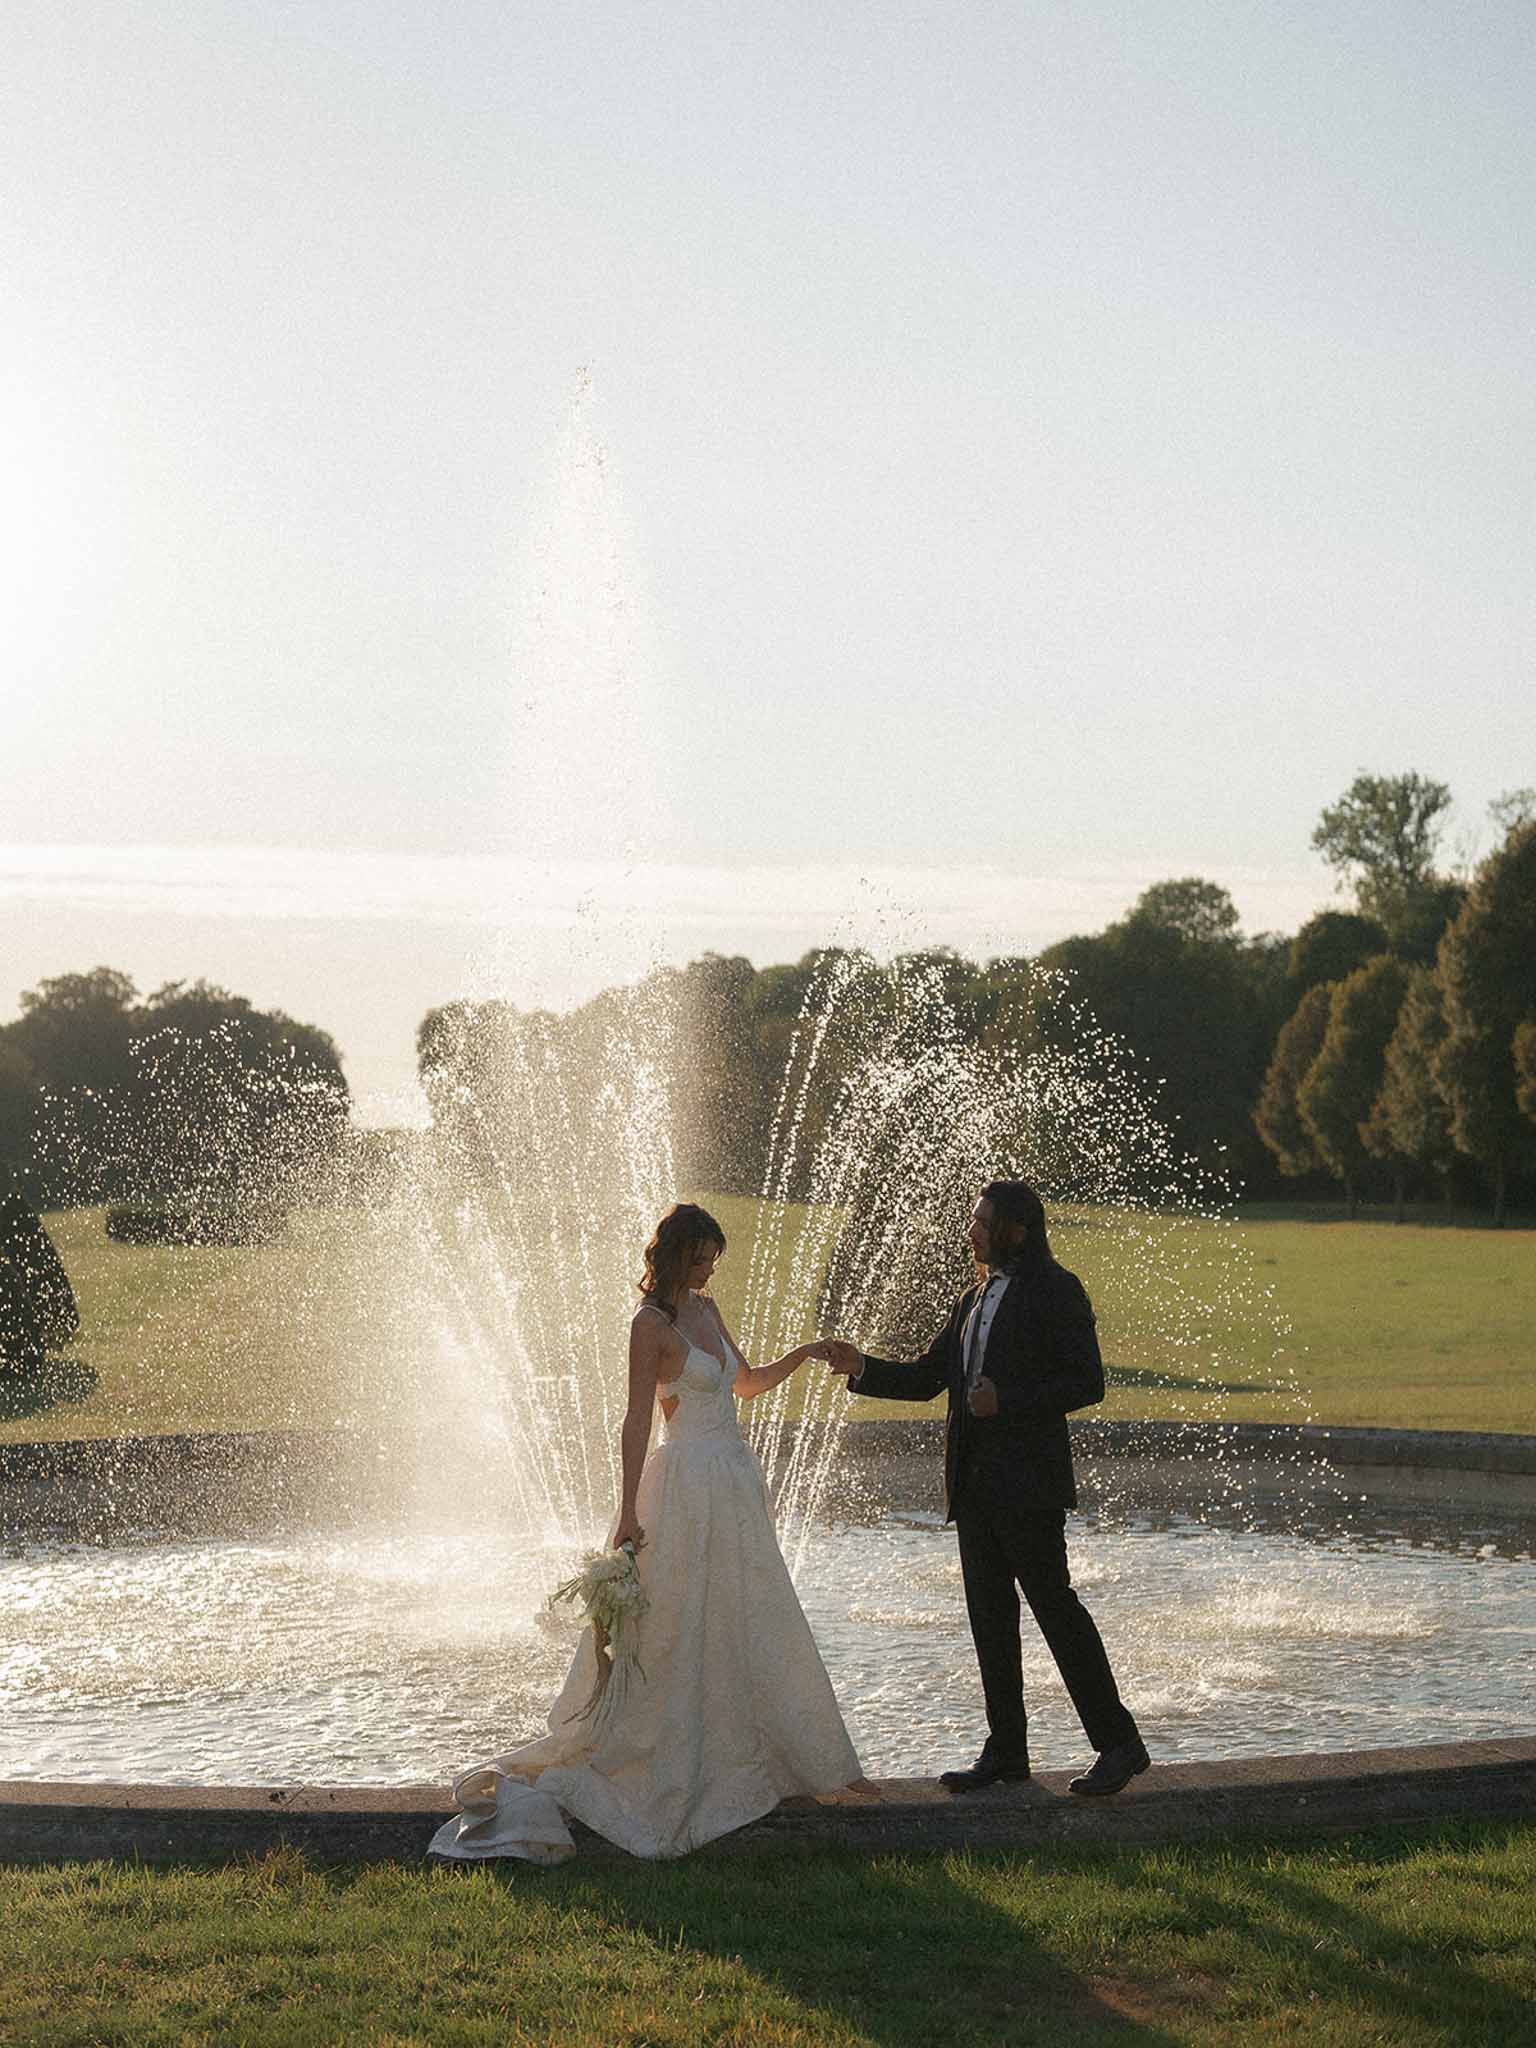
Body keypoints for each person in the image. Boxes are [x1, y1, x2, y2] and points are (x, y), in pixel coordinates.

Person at [430, 1202, 863, 1862]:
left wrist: (803, 1354)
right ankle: (662, 1760)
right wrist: (628, 1512)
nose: (708, 1268)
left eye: (713, 1258)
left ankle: (766, 1754)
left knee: (750, 1615)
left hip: (733, 1485)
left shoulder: (707, 1310)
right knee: (673, 1628)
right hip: (683, 1486)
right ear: (671, 1255)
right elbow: (637, 1422)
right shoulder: (650, 1325)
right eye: (698, 1257)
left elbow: (742, 1384)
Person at [826, 1178, 1149, 1797]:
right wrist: (862, 1366)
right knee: (990, 1622)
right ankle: (1006, 1751)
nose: (971, 1230)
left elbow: (1087, 1382)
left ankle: (1119, 1743)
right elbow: (928, 1379)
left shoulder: (1057, 1290)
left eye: (982, 1221)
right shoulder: (972, 1298)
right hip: (973, 1488)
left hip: (1029, 1486)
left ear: (1017, 1232)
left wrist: (1009, 1400)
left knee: (1056, 1611)